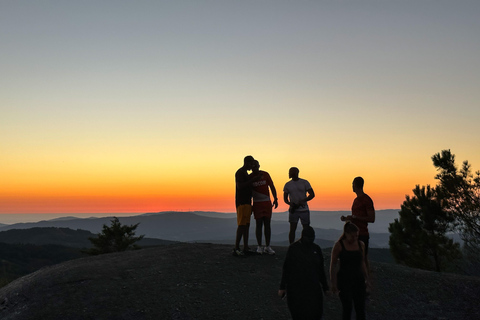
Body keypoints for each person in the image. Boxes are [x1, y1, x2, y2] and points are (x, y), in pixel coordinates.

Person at [278, 226, 329, 320]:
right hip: (296, 289)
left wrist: (325, 287)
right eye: (309, 238)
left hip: (313, 288)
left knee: (316, 314)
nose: (310, 240)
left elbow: (321, 270)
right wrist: (282, 287)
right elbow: (286, 268)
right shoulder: (293, 249)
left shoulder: (316, 249)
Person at [330, 222, 369, 320]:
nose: (355, 238)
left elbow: (362, 262)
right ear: (346, 234)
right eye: (352, 236)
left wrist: (367, 278)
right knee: (347, 308)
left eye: (356, 236)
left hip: (358, 280)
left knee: (360, 308)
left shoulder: (361, 245)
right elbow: (333, 264)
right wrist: (333, 283)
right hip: (344, 280)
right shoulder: (339, 245)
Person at [341, 176, 375, 273]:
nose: (352, 186)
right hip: (353, 234)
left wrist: (355, 218)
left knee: (362, 258)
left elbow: (372, 219)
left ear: (355, 185)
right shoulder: (356, 200)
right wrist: (348, 218)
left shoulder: (366, 199)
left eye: (352, 184)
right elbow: (356, 216)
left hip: (362, 234)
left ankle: (366, 280)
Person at [251, 160, 278, 255]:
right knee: (259, 224)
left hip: (266, 202)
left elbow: (272, 186)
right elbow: (249, 192)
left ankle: (267, 246)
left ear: (259, 166)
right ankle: (259, 246)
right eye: (253, 166)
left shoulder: (265, 174)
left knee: (267, 224)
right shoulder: (250, 177)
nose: (255, 168)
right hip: (257, 203)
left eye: (256, 166)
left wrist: (275, 198)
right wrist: (250, 205)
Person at [234, 155, 259, 256]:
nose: (252, 166)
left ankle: (245, 247)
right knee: (241, 225)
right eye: (251, 164)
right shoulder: (240, 172)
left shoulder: (244, 173)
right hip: (242, 202)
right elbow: (239, 186)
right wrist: (252, 180)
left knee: (246, 225)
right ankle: (236, 248)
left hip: (247, 202)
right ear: (247, 162)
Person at [283, 167, 315, 244]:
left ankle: (306, 244)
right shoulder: (287, 185)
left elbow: (312, 194)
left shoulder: (304, 182)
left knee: (305, 229)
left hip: (303, 209)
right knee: (293, 229)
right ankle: (292, 246)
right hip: (294, 210)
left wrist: (303, 201)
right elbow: (285, 199)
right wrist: (291, 204)